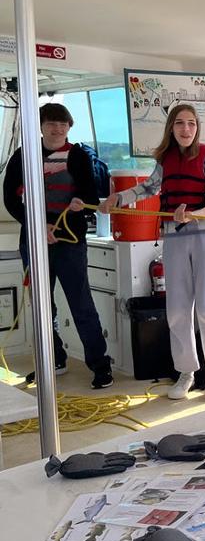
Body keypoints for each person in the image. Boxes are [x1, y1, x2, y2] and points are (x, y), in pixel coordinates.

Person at [101, 104, 205, 400]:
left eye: (190, 123)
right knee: (176, 309)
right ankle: (186, 372)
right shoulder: (166, 158)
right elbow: (149, 188)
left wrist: (193, 214)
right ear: (171, 128)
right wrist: (118, 198)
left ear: (197, 127)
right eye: (179, 124)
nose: (185, 129)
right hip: (174, 236)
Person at [2, 102, 113, 389]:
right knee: (41, 306)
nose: (57, 128)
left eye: (62, 124)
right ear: (40, 126)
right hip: (34, 240)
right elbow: (11, 199)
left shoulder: (78, 155)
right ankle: (54, 359)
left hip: (70, 241)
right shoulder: (23, 155)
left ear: (69, 127)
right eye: (51, 123)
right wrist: (40, 227)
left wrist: (81, 204)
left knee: (81, 304)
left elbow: (89, 193)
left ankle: (100, 366)